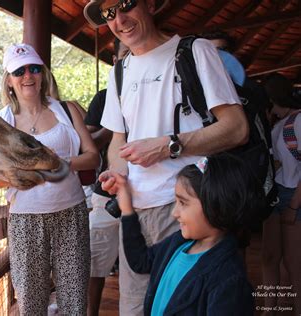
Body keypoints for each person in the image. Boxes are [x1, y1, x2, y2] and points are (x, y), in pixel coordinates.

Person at [83, 0, 248, 313]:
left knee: (182, 303)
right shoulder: (119, 71)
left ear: (150, 4)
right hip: (134, 211)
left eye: (126, 4)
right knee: (133, 307)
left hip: (186, 208)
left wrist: (169, 146)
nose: (119, 20)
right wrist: (118, 177)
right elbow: (118, 140)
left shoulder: (193, 51)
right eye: (110, 14)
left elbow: (237, 128)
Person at [0, 43, 99, 315]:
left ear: (43, 74)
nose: (27, 76)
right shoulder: (1, 123)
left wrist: (62, 163)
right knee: (31, 302)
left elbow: (93, 157)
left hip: (71, 213)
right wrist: (27, 172)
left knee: (75, 299)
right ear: (9, 80)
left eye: (34, 68)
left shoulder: (67, 109)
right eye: (19, 71)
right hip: (25, 218)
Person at [99, 153, 261, 315]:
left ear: (216, 205)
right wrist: (127, 208)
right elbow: (140, 261)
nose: (175, 213)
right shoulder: (178, 243)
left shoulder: (229, 282)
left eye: (183, 203)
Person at [86, 38, 129, 316]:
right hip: (106, 194)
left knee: (137, 264)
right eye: (125, 54)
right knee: (94, 261)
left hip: (145, 195)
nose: (131, 58)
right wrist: (114, 126)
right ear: (115, 61)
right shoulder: (103, 98)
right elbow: (89, 143)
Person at [262, 73, 301, 315]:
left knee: (294, 263)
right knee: (269, 256)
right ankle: (269, 308)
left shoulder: (298, 121)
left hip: (292, 196)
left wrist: (294, 206)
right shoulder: (278, 124)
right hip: (277, 193)